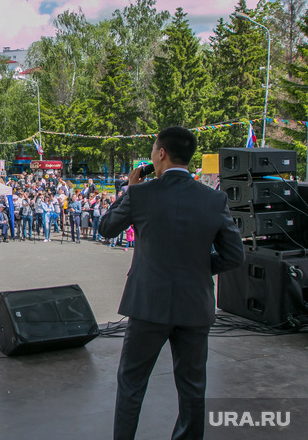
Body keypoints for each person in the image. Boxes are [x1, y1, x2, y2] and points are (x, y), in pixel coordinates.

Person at [99, 126, 244, 440]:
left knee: (132, 384)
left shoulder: (141, 194)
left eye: (153, 148)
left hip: (148, 304)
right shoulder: (214, 199)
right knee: (192, 388)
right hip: (195, 306)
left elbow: (107, 228)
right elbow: (234, 256)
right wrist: (200, 269)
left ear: (160, 153)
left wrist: (127, 190)